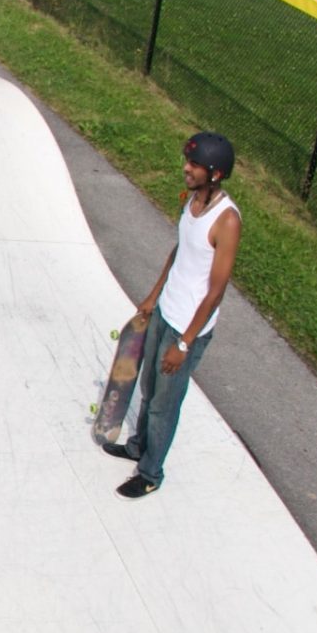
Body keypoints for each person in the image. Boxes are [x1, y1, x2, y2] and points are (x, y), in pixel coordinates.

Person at [107, 131, 241, 498]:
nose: (186, 168)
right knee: (148, 389)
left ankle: (150, 473)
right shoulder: (193, 203)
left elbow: (216, 292)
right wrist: (153, 297)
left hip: (187, 329)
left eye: (194, 165)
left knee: (164, 405)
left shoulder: (226, 221)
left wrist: (184, 343)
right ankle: (137, 447)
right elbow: (181, 253)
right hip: (166, 311)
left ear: (215, 174)